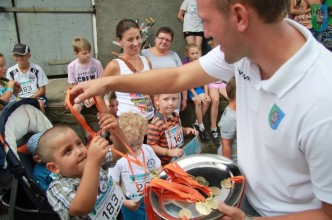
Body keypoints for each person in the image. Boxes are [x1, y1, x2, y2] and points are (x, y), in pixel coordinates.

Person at [69, 0, 332, 219]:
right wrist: (107, 81)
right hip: (243, 195)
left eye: (206, 21)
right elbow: (177, 78)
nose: (205, 33)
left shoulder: (322, 102)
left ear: (239, 17)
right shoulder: (245, 47)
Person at [39, 113, 128, 219]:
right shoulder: (56, 188)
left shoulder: (90, 160)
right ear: (54, 168)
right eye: (68, 151)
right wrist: (93, 163)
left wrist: (116, 129)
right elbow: (82, 208)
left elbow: (121, 150)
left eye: (79, 143)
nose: (79, 151)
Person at [109, 112, 162, 220]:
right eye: (131, 145)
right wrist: (124, 201)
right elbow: (114, 183)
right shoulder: (118, 158)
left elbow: (157, 168)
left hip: (151, 197)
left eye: (139, 143)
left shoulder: (147, 150)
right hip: (131, 203)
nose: (135, 148)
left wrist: (156, 178)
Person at [99, 19, 154, 121]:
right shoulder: (115, 66)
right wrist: (109, 120)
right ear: (119, 41)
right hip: (129, 127)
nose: (136, 43)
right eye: (130, 39)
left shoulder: (147, 61)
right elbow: (98, 95)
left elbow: (151, 91)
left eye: (138, 37)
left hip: (151, 123)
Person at [141, 26, 188, 113]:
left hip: (173, 102)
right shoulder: (144, 54)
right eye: (161, 38)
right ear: (156, 38)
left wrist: (185, 98)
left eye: (167, 40)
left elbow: (182, 76)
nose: (164, 41)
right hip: (152, 102)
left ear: (170, 42)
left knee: (174, 125)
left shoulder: (174, 55)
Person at [67, 37, 104, 139]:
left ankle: (105, 132)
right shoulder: (72, 67)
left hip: (97, 92)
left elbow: (102, 82)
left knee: (107, 107)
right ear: (76, 53)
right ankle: (87, 134)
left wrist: (94, 96)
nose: (88, 55)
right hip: (82, 95)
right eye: (84, 53)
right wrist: (84, 97)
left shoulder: (96, 63)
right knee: (74, 109)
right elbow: (75, 86)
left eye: (89, 52)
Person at [147, 93, 198, 166]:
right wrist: (168, 152)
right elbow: (152, 146)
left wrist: (186, 130)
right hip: (166, 164)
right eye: (166, 99)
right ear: (157, 101)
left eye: (174, 99)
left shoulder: (175, 115)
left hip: (179, 158)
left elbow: (177, 130)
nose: (171, 103)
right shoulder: (155, 124)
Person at [7, 44, 49, 113]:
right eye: (16, 56)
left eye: (22, 56)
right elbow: (10, 91)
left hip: (36, 96)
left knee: (40, 104)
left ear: (28, 56)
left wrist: (31, 99)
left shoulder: (37, 69)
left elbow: (42, 90)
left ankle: (42, 122)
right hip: (19, 98)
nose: (19, 58)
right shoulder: (10, 72)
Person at [183, 43, 211, 141]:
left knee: (207, 101)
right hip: (190, 89)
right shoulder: (186, 65)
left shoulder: (201, 63)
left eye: (197, 53)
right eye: (192, 53)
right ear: (187, 54)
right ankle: (201, 127)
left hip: (199, 88)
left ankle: (196, 123)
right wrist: (195, 95)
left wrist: (206, 93)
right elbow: (187, 82)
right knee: (198, 101)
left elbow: (205, 80)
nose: (195, 55)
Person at [217, 77, 237, 163]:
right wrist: (230, 167)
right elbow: (226, 145)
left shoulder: (241, 110)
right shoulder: (229, 118)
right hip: (235, 160)